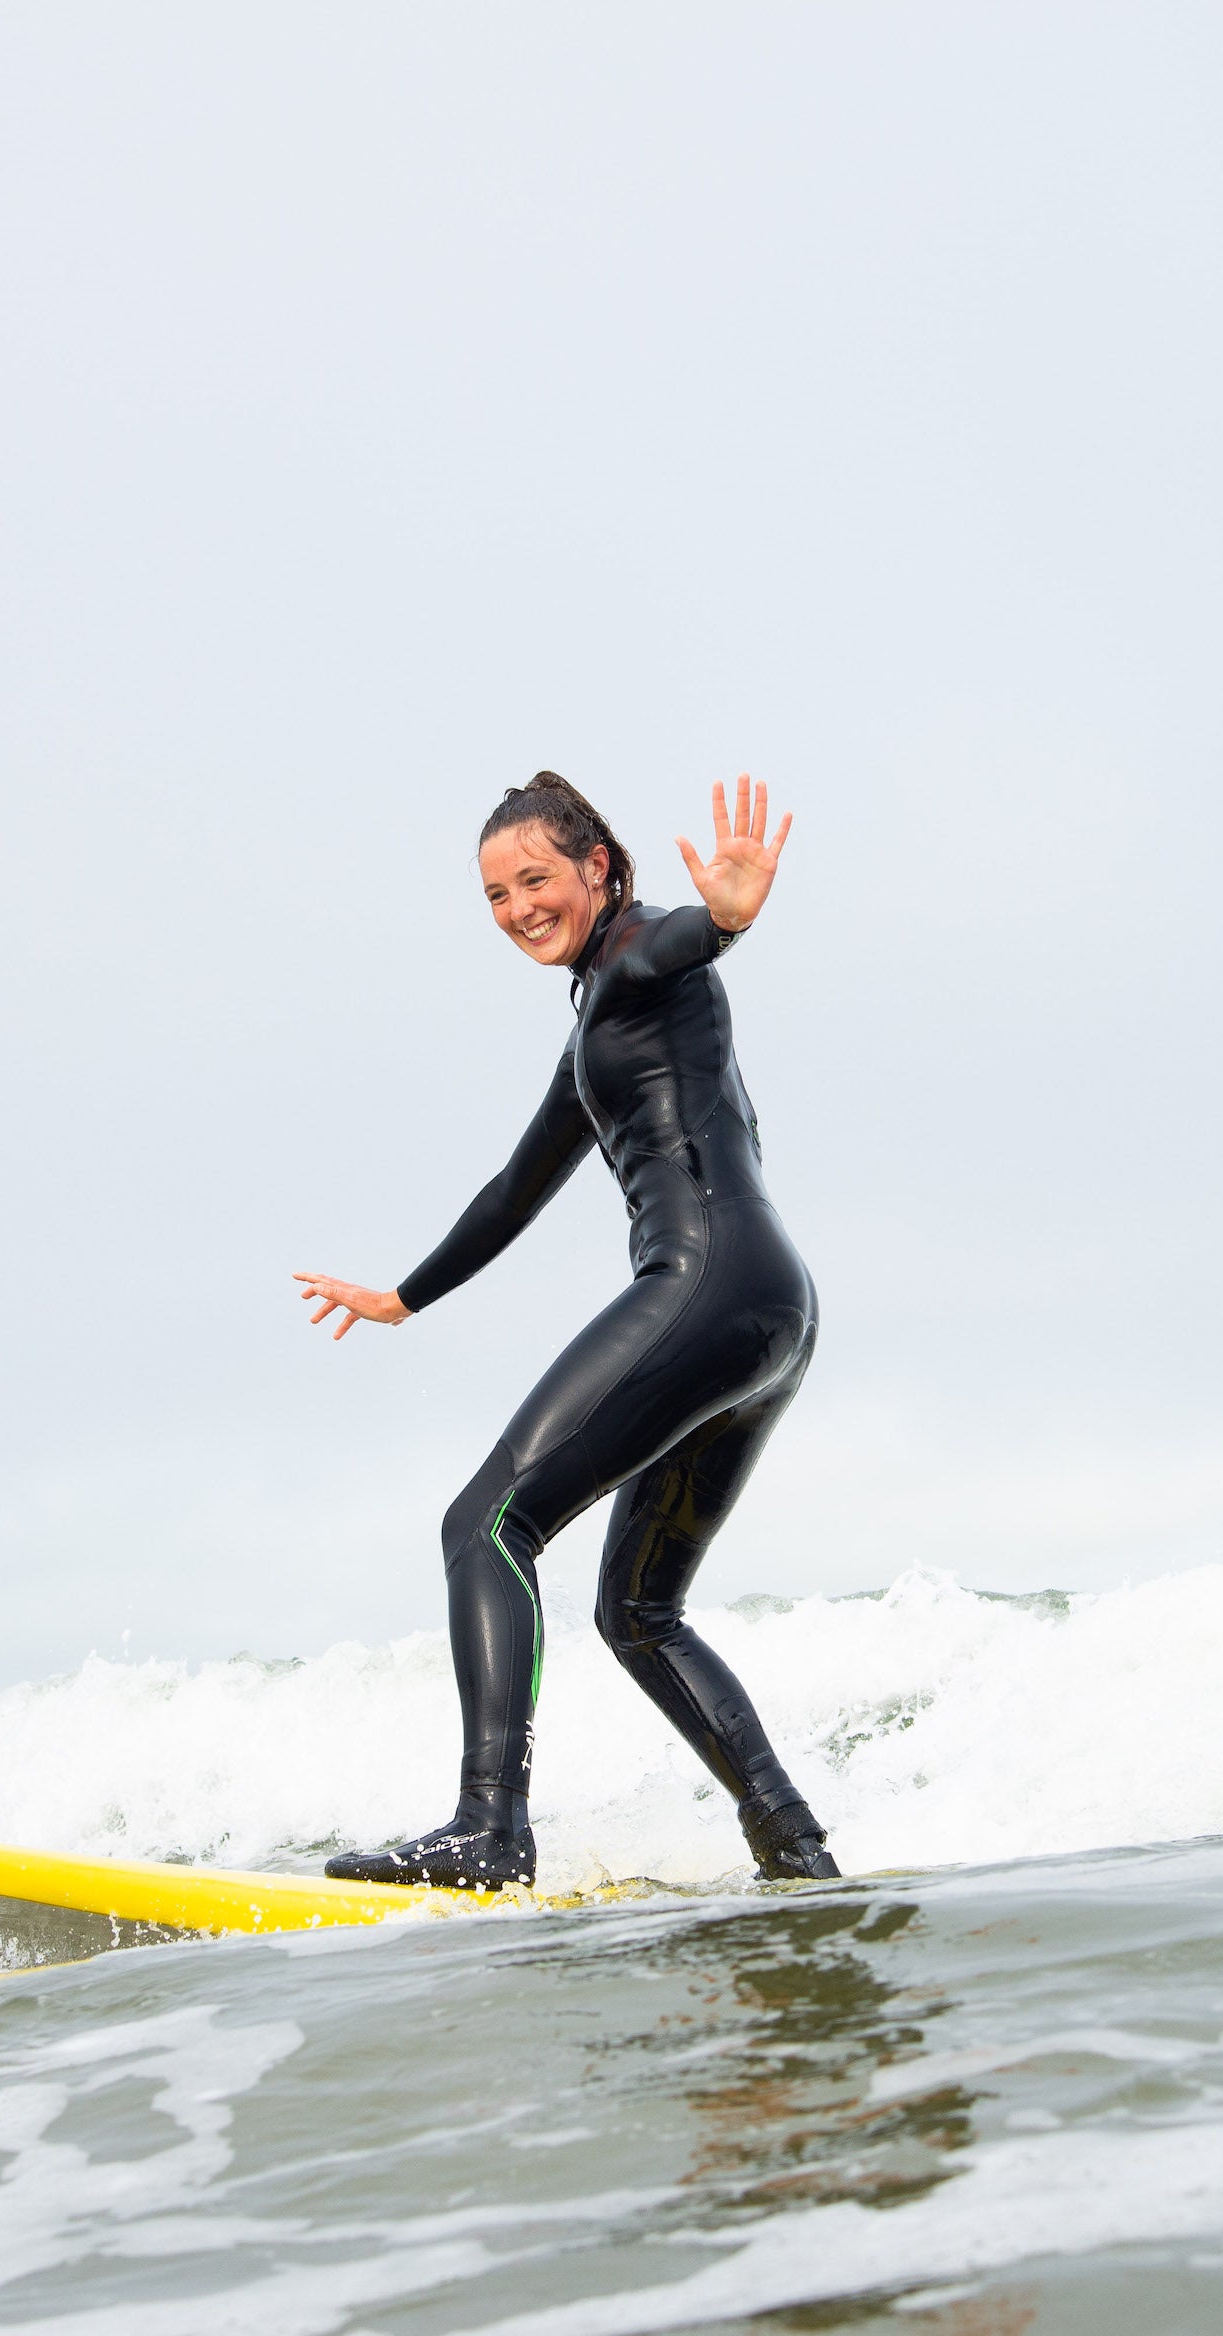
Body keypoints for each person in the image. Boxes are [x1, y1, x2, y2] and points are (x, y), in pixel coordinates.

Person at [292, 772, 839, 1893]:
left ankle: (486, 1824)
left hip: (707, 1279)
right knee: (634, 1610)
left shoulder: (639, 957)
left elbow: (681, 945)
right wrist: (400, 1296)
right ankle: (795, 1849)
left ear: (596, 865)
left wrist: (726, 917)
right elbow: (513, 1188)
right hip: (771, 1307)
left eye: (534, 878)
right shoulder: (600, 1016)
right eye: (494, 894)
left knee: (486, 1519)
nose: (515, 909)